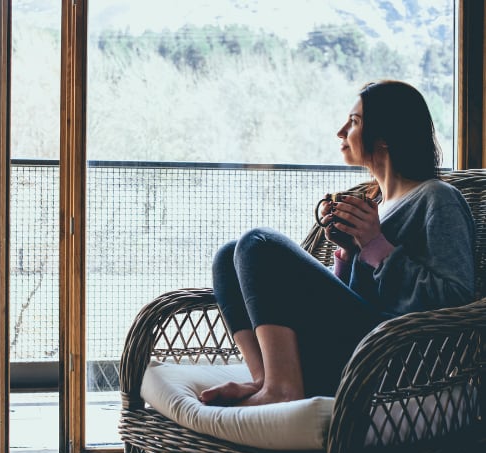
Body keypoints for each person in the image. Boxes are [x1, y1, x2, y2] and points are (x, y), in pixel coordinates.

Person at [200, 80, 476, 406]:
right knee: (227, 255)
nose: (341, 131)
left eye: (355, 121)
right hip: (347, 347)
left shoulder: (437, 198)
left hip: (389, 357)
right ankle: (266, 379)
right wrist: (347, 253)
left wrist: (375, 245)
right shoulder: (374, 202)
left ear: (385, 136)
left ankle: (282, 390)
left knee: (257, 243)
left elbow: (455, 299)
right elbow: (353, 296)